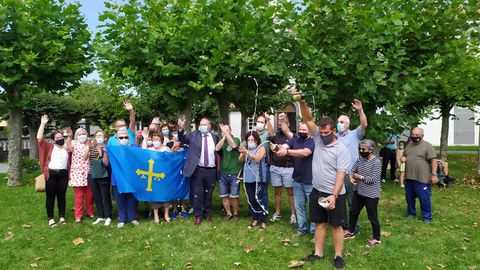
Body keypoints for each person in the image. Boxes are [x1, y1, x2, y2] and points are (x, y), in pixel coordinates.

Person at [299, 100, 351, 269]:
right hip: (317, 191)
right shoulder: (318, 139)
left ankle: (338, 256)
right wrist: (301, 103)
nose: (323, 135)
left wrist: (334, 196)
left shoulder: (341, 149)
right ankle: (318, 253)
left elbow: (341, 175)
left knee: (336, 225)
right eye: (321, 132)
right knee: (319, 223)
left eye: (326, 132)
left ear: (334, 131)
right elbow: (308, 120)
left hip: (335, 194)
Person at [275, 122, 315, 235]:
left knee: (313, 207)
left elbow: (305, 153)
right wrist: (280, 148)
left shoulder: (312, 142)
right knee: (299, 206)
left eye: (304, 130)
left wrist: (287, 152)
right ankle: (302, 229)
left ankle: (314, 231)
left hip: (310, 180)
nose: (302, 131)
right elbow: (285, 145)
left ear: (310, 131)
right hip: (297, 179)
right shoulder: (295, 139)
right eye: (300, 129)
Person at [178, 118, 219, 225]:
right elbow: (182, 139)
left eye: (205, 124)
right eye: (201, 124)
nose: (202, 126)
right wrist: (181, 128)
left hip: (211, 170)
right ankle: (198, 215)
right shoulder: (193, 135)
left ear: (209, 126)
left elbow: (219, 152)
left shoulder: (215, 137)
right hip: (197, 170)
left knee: (209, 193)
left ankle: (207, 213)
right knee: (197, 194)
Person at [336, 99, 368, 234]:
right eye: (338, 122)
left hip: (350, 175)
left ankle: (355, 227)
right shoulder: (334, 136)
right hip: (337, 174)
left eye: (342, 122)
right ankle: (343, 226)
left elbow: (364, 124)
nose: (339, 124)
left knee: (351, 202)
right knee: (339, 201)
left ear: (348, 124)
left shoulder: (355, 134)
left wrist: (360, 110)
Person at [343, 139, 382, 247]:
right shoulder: (360, 160)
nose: (361, 150)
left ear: (371, 150)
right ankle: (351, 231)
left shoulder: (376, 162)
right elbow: (351, 170)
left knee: (372, 216)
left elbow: (372, 180)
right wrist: (351, 177)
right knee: (353, 212)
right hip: (359, 192)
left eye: (363, 149)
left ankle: (377, 238)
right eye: (360, 148)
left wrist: (358, 176)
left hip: (371, 195)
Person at [37, 115, 72, 227]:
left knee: (62, 196)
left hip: (63, 175)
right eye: (57, 138)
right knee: (50, 196)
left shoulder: (67, 147)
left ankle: (62, 216)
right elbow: (39, 138)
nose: (60, 139)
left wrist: (70, 136)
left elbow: (70, 142)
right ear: (53, 140)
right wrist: (42, 124)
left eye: (61, 136)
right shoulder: (49, 147)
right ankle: (50, 218)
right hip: (51, 174)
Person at [400, 127, 438, 223]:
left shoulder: (427, 146)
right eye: (413, 134)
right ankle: (411, 214)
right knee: (409, 198)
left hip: (422, 178)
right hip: (409, 177)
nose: (415, 136)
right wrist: (403, 158)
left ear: (422, 135)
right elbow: (404, 155)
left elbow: (434, 161)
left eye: (417, 135)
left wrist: (434, 174)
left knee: (424, 198)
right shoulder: (409, 146)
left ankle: (427, 217)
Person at [270, 112, 296, 224]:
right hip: (275, 167)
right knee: (277, 192)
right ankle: (277, 212)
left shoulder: (293, 136)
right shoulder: (276, 136)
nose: (281, 127)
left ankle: (293, 214)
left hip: (288, 168)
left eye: (283, 124)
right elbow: (270, 136)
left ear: (288, 125)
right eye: (279, 124)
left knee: (290, 192)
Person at [238, 131, 268, 229]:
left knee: (259, 199)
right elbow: (240, 160)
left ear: (256, 140)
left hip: (258, 178)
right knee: (251, 199)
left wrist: (246, 152)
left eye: (252, 140)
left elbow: (258, 158)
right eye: (248, 140)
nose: (250, 142)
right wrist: (243, 153)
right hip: (248, 178)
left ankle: (262, 220)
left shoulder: (261, 148)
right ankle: (255, 219)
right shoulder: (246, 149)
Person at [110, 128, 139, 228]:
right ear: (117, 139)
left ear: (129, 138)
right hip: (117, 178)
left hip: (132, 178)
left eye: (126, 137)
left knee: (132, 198)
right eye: (121, 137)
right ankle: (121, 219)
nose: (124, 139)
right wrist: (105, 151)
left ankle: (132, 218)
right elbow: (106, 163)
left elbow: (143, 155)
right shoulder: (113, 150)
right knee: (120, 199)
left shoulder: (135, 148)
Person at [142, 130, 172, 223]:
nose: (155, 140)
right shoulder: (151, 150)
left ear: (161, 140)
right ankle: (156, 215)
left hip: (164, 176)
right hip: (153, 177)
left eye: (157, 139)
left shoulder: (166, 149)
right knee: (155, 196)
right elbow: (142, 153)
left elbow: (171, 161)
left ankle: (166, 214)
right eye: (154, 139)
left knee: (165, 195)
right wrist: (145, 139)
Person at [67, 128, 94, 223]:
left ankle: (89, 211)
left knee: (90, 194)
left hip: (89, 171)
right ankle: (78, 215)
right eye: (79, 134)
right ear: (76, 136)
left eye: (84, 133)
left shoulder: (90, 142)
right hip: (77, 172)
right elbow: (68, 148)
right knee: (79, 195)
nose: (82, 135)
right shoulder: (74, 143)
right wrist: (69, 137)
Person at [215, 123, 241, 221]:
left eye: (227, 130)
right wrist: (224, 137)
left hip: (234, 173)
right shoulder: (223, 141)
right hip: (223, 173)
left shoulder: (236, 139)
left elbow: (234, 145)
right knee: (224, 195)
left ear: (230, 131)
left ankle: (235, 213)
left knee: (234, 195)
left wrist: (227, 135)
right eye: (223, 130)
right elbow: (217, 148)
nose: (225, 132)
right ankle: (228, 213)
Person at [86, 130, 112, 226]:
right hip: (92, 174)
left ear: (105, 138)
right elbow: (86, 158)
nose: (98, 137)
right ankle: (101, 215)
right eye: (97, 136)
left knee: (105, 195)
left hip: (102, 174)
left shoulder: (107, 148)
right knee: (96, 195)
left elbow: (104, 161)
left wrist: (99, 148)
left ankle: (108, 216)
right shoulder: (91, 148)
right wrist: (89, 148)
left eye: (101, 136)